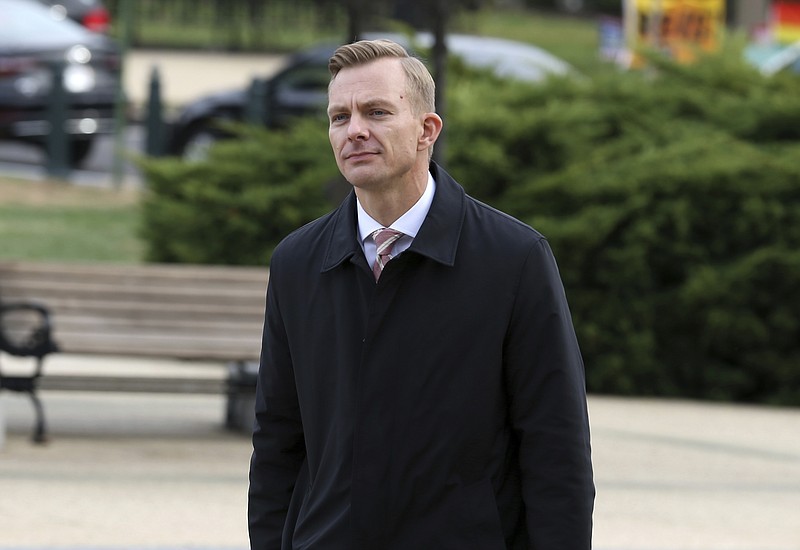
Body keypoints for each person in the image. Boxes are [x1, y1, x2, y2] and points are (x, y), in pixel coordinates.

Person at [248, 38, 594, 549]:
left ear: (427, 130)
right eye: (339, 116)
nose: (355, 130)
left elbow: (555, 447)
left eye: (377, 112)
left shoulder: (514, 259)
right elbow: (278, 441)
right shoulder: (297, 263)